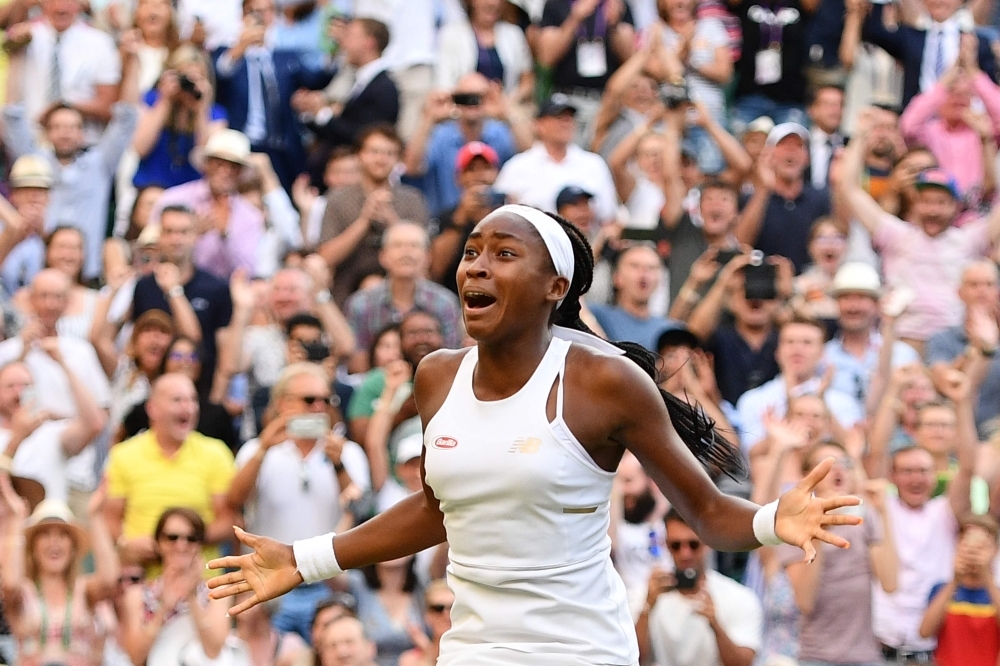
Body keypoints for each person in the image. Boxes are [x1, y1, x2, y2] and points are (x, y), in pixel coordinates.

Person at [207, 204, 865, 664]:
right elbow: (439, 510)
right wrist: (303, 559)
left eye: (503, 253)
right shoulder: (436, 377)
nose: (477, 267)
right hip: (472, 650)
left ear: (554, 286)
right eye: (470, 253)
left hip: (582, 652)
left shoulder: (604, 383)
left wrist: (779, 518)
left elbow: (709, 511)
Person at [838, 108, 1000, 351]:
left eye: (941, 202)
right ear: (915, 202)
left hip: (953, 345)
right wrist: (861, 135)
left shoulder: (969, 239)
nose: (933, 210)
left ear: (956, 207)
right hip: (902, 342)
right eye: (927, 201)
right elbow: (849, 188)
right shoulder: (896, 235)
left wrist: (988, 140)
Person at [228, 363, 367, 641]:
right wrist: (264, 448)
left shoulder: (348, 452)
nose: (319, 407)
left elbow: (360, 508)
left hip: (327, 582)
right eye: (309, 400)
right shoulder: (257, 450)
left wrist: (338, 464)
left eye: (326, 400)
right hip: (270, 580)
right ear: (283, 403)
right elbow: (234, 502)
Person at [4, 37, 140, 281]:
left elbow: (126, 120)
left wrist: (131, 63)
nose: (65, 132)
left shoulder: (100, 164)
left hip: (85, 278)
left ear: (83, 133)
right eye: (57, 126)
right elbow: (12, 117)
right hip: (38, 277)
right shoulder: (34, 161)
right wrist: (16, 55)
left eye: (72, 127)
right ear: (47, 132)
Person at [781, 443, 899, 666]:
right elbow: (805, 601)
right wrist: (819, 528)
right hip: (816, 657)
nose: (838, 470)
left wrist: (884, 513)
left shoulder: (865, 517)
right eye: (827, 464)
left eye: (844, 463)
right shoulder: (793, 522)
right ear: (808, 476)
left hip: (867, 657)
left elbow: (890, 583)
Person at [103, 373, 235, 567]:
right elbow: (109, 518)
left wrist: (179, 542)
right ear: (152, 409)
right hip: (141, 579)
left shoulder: (216, 453)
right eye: (177, 400)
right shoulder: (123, 455)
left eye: (192, 400)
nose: (188, 407)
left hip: (201, 583)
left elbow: (229, 521)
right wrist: (126, 543)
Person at [213, 0, 334, 191]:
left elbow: (316, 80)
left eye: (267, 11)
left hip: (282, 146)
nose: (262, 17)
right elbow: (219, 77)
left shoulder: (285, 56)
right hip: (242, 145)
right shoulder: (228, 55)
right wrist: (239, 47)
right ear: (243, 16)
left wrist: (333, 49)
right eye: (255, 11)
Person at [0, 488, 119, 666]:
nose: (54, 542)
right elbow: (9, 583)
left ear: (73, 548)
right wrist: (15, 520)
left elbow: (110, 580)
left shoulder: (84, 590)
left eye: (63, 535)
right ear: (32, 547)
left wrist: (95, 517)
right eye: (45, 534)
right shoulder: (23, 592)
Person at [316, 124, 430, 306]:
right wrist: (364, 221)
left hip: (405, 293)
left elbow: (424, 258)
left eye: (389, 153)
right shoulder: (338, 199)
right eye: (374, 151)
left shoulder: (413, 199)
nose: (381, 159)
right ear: (359, 155)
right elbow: (325, 257)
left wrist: (391, 220)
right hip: (345, 291)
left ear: (398, 159)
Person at [637, 509, 762, 666]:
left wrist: (715, 624)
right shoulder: (646, 594)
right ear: (666, 545)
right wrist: (647, 607)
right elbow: (632, 659)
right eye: (676, 545)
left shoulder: (739, 598)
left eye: (693, 545)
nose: (685, 554)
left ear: (708, 543)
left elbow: (744, 663)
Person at [119, 508, 232, 666]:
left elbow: (214, 651)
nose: (181, 545)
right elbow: (135, 658)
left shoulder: (218, 591)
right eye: (172, 537)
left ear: (200, 544)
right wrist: (163, 608)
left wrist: (192, 597)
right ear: (158, 543)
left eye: (191, 538)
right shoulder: (137, 594)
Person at [294, 17, 399, 188]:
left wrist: (323, 113)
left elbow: (364, 135)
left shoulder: (384, 88)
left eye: (350, 36)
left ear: (369, 42)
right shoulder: (363, 82)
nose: (344, 43)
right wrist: (311, 112)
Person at [345, 222, 463, 371]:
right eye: (398, 245)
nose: (406, 252)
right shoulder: (361, 304)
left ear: (428, 257)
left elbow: (452, 357)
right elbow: (357, 365)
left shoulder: (445, 303)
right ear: (383, 256)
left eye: (414, 246)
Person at [736, 317, 863, 453]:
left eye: (807, 343)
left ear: (822, 353)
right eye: (790, 342)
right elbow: (749, 456)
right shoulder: (753, 400)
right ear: (777, 352)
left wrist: (822, 401)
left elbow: (853, 453)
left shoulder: (843, 402)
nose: (797, 349)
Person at [150, 130, 265, 280]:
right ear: (206, 164)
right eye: (219, 163)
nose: (225, 171)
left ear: (241, 172)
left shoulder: (250, 217)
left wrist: (226, 236)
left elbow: (247, 273)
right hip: (169, 280)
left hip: (222, 296)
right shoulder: (173, 198)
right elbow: (149, 248)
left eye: (234, 166)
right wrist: (191, 234)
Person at [4, 0, 121, 142]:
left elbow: (107, 107)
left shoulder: (100, 43)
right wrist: (16, 42)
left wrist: (64, 106)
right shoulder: (27, 36)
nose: (61, 6)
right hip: (32, 142)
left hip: (82, 146)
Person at [404, 73, 520, 216]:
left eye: (479, 97)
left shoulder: (499, 132)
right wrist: (428, 118)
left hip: (492, 217)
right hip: (446, 221)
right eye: (464, 98)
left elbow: (528, 155)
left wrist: (507, 112)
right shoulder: (441, 135)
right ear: (454, 99)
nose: (471, 103)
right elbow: (412, 168)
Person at [0, 351, 106, 505]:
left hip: (49, 525)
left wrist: (63, 364)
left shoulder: (53, 432)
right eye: (10, 386)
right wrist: (17, 438)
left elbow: (94, 424)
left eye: (26, 385)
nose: (19, 393)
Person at [492, 95, 618, 222]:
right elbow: (497, 215)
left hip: (582, 239)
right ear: (538, 125)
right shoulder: (517, 166)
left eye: (569, 118)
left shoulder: (594, 164)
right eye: (558, 117)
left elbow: (610, 218)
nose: (565, 123)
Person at [735, 123, 832, 273]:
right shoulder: (750, 199)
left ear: (807, 158)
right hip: (763, 286)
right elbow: (739, 246)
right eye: (783, 145)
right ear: (769, 155)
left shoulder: (821, 198)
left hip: (811, 285)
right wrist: (762, 191)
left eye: (798, 146)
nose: (791, 151)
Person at [863, 0, 998, 107]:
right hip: (918, 124)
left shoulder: (977, 42)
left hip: (961, 123)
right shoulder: (911, 38)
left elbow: (990, 87)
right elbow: (876, 32)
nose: (938, 2)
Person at [132, 44, 228, 190]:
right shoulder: (151, 101)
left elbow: (205, 161)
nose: (188, 86)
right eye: (184, 78)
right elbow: (140, 148)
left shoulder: (215, 114)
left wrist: (201, 109)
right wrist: (164, 100)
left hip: (192, 193)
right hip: (151, 189)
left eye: (196, 79)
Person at [537, 0, 636, 140]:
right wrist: (574, 19)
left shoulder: (617, 4)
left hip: (608, 101)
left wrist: (615, 25)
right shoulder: (556, 4)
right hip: (568, 100)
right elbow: (546, 58)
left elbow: (630, 58)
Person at [925, 259, 1000, 438]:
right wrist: (978, 348)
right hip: (954, 433)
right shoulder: (942, 338)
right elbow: (944, 383)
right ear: (959, 292)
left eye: (989, 284)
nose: (982, 290)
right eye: (973, 284)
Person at [919, 514, 1000, 666]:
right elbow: (924, 632)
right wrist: (955, 580)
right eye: (967, 546)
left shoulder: (996, 594)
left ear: (995, 550)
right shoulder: (942, 590)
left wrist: (987, 578)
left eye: (982, 547)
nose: (973, 553)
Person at [429, 141, 505, 294]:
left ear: (496, 173)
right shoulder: (447, 216)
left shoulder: (509, 213)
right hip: (457, 297)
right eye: (471, 169)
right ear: (459, 178)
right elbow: (436, 269)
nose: (479, 175)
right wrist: (461, 217)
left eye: (486, 168)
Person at [11, 226, 99, 341]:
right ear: (46, 252)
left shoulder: (97, 301)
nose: (68, 255)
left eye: (75, 248)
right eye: (61, 247)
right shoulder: (23, 296)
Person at [589, 245, 681, 351]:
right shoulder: (596, 315)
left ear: (659, 280)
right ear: (617, 277)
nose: (644, 273)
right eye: (635, 266)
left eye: (651, 268)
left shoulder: (669, 328)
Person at [435, 0, 533, 97]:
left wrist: (509, 101)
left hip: (505, 106)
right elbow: (444, 84)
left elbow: (527, 80)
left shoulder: (514, 34)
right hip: (464, 106)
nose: (492, 3)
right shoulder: (451, 34)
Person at [0, 156, 55, 297]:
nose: (34, 195)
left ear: (49, 196)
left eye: (41, 189)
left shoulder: (59, 232)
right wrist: (13, 232)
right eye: (26, 188)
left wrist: (44, 236)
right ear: (13, 194)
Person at [399, 579, 455, 666]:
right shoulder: (410, 660)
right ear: (427, 615)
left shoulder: (470, 652)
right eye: (438, 608)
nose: (446, 614)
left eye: (452, 607)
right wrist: (428, 651)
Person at [806, 85, 846, 190]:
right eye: (828, 104)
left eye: (840, 104)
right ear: (811, 109)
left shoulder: (849, 145)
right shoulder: (801, 142)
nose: (836, 110)